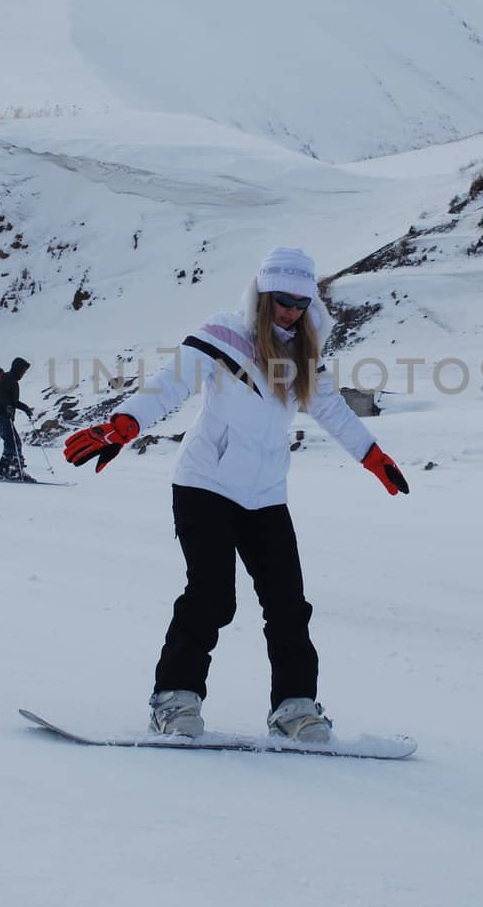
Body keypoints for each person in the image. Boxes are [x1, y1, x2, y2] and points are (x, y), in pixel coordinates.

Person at [63, 247, 409, 743]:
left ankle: (295, 708)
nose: (290, 310)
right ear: (262, 295)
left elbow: (333, 411)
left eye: (300, 301)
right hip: (205, 485)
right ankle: (174, 699)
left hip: (265, 495)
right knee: (211, 596)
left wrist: (372, 456)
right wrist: (125, 424)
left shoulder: (303, 357)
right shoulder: (225, 334)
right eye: (281, 299)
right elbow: (171, 384)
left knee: (288, 604)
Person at [0, 357, 34, 479]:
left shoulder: (11, 380)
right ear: (17, 369)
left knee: (13, 443)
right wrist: (7, 406)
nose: (23, 374)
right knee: (13, 442)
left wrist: (25, 408)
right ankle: (11, 471)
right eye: (22, 371)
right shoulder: (7, 379)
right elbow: (1, 395)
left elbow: (13, 401)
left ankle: (8, 471)